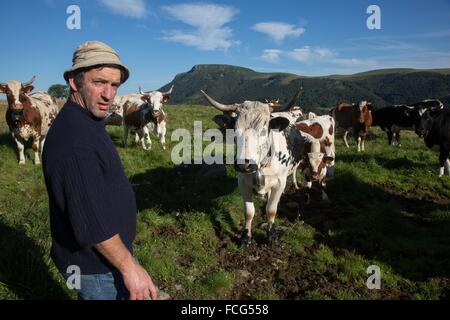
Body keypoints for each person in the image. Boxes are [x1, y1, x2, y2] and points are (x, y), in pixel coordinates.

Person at [42, 41, 159, 300]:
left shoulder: (86, 120)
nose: (109, 94)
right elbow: (91, 222)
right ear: (75, 81)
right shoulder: (73, 139)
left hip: (109, 255)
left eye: (114, 85)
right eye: (99, 82)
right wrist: (129, 267)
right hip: (97, 267)